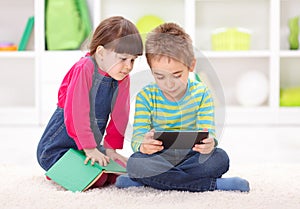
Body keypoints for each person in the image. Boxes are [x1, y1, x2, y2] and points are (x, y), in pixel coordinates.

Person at [115, 22, 250, 192]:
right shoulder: (145, 96)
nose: (169, 84)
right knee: (136, 162)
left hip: (192, 157)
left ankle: (149, 180)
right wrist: (143, 145)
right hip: (159, 157)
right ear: (151, 70)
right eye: (160, 76)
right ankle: (213, 185)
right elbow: (138, 137)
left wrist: (210, 143)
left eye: (177, 75)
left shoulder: (201, 93)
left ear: (191, 66)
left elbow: (208, 132)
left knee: (220, 159)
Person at [37, 16, 143, 187]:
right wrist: (89, 149)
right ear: (101, 53)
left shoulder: (122, 77)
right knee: (99, 179)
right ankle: (59, 171)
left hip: (88, 145)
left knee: (119, 170)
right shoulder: (85, 68)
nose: (129, 66)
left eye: (133, 60)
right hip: (57, 148)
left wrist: (111, 149)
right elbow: (76, 112)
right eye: (123, 59)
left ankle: (85, 165)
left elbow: (120, 115)